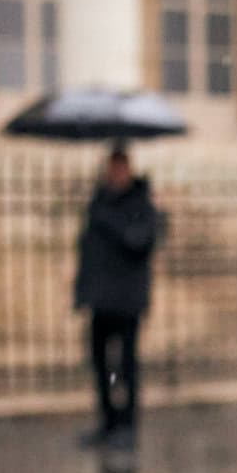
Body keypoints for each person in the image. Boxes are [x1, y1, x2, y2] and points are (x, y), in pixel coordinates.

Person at [72, 147, 161, 453]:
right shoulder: (99, 201)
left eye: (119, 168)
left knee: (126, 366)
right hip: (100, 298)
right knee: (100, 365)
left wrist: (108, 218)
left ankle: (128, 425)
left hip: (127, 299)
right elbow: (88, 252)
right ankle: (108, 422)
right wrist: (81, 293)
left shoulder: (140, 203)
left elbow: (139, 241)